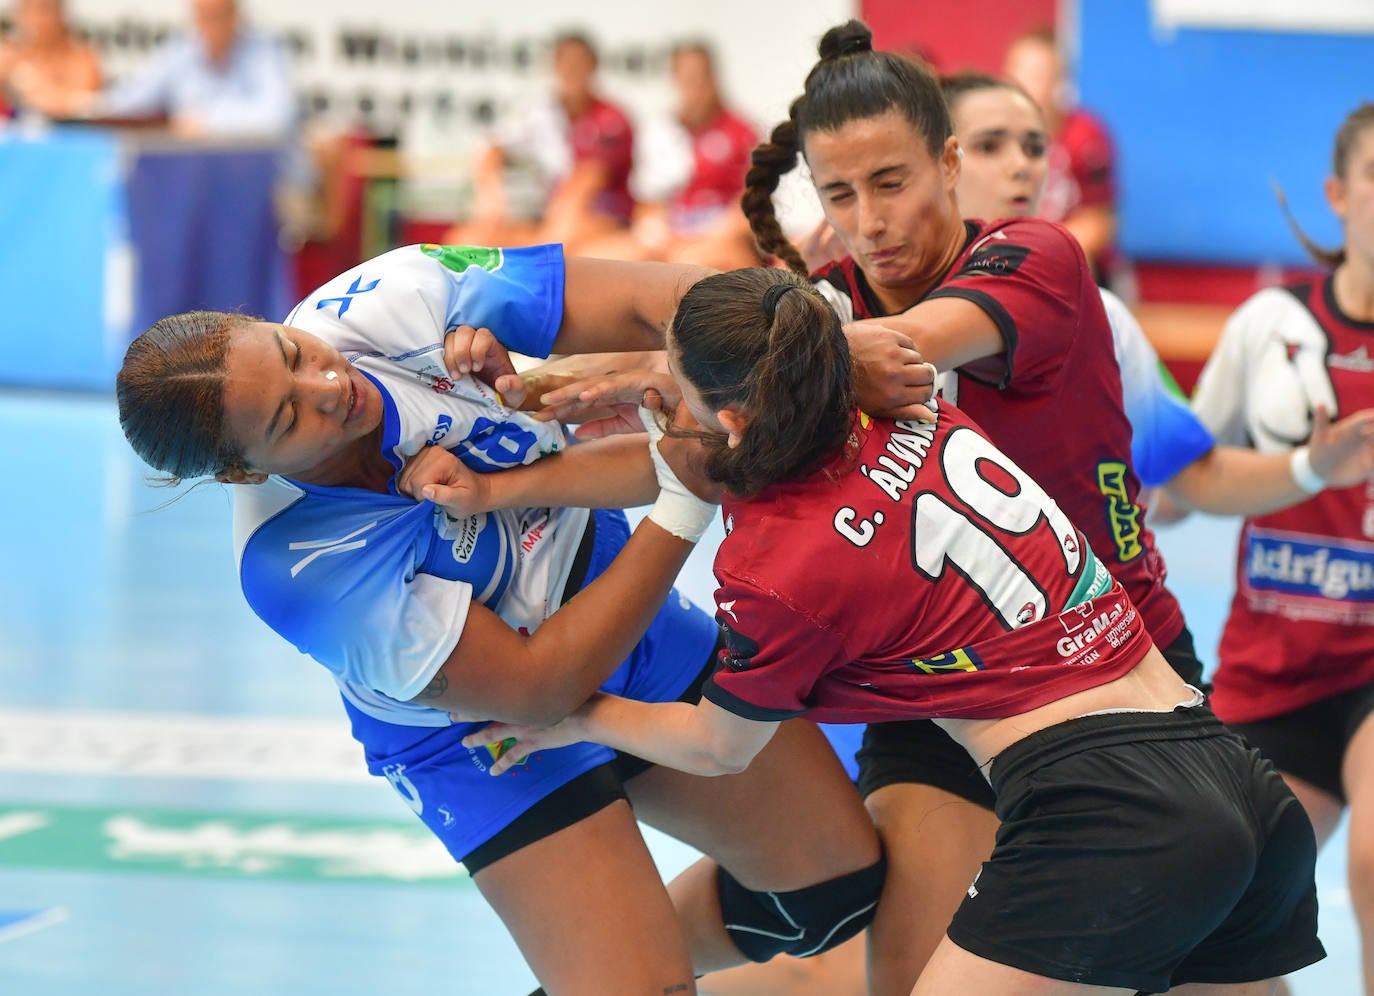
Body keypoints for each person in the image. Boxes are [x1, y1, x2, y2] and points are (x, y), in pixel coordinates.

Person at [459, 265, 1325, 995]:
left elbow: (720, 747)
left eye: (672, 395)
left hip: (1106, 809)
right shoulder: (916, 402)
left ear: (731, 421)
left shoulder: (775, 569)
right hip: (1233, 776)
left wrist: (575, 718)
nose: (661, 411)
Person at [114, 243, 902, 994]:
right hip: (478, 736)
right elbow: (531, 692)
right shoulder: (295, 564)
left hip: (605, 595)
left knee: (835, 886)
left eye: (292, 353)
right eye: (290, 420)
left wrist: (812, 352)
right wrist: (686, 498)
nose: (329, 387)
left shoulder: (391, 300)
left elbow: (654, 298)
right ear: (243, 471)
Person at [1189, 102, 1374, 995]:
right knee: (1211, 920)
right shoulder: (1271, 325)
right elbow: (1179, 485)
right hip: (1275, 664)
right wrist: (1303, 467)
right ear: (1339, 194)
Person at [444, 31, 635, 254]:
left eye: (579, 63)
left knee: (565, 238)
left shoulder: (611, 118)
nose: (572, 70)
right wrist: (490, 197)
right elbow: (493, 148)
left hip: (599, 217)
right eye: (566, 63)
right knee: (466, 241)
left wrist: (546, 236)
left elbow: (585, 183)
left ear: (593, 67)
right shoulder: (540, 113)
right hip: (546, 217)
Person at [579, 41, 761, 270]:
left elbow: (752, 206)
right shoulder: (660, 131)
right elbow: (647, 205)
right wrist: (654, 232)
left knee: (696, 264)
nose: (694, 85)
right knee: (594, 257)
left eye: (700, 76)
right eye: (686, 77)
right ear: (674, 79)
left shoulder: (741, 132)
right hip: (669, 239)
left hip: (717, 239)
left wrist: (707, 238)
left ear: (714, 77)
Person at [18, 0, 295, 141]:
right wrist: (76, 104)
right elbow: (130, 100)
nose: (212, 25)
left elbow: (277, 116)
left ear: (236, 14)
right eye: (204, 15)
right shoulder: (181, 53)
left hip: (263, 179)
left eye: (219, 14)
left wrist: (208, 122)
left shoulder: (265, 52)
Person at [1002, 26, 1119, 288]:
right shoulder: (995, 139)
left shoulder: (1085, 136)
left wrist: (1043, 249)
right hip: (1014, 262)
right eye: (1017, 73)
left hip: (1078, 268)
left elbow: (1099, 223)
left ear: (1060, 82)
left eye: (1038, 75)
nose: (1025, 85)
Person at [0, 0, 99, 119]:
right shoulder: (10, 57)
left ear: (61, 14)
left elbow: (83, 105)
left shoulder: (83, 58)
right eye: (28, 10)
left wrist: (28, 82)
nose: (35, 18)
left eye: (44, 9)